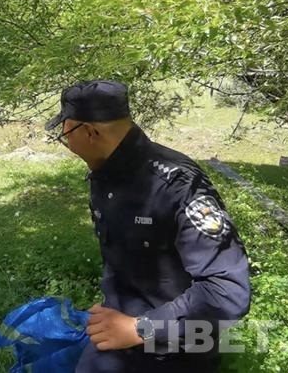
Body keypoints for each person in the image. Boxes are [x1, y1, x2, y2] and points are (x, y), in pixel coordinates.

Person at [44, 80, 251, 372]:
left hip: (175, 347)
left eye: (66, 134)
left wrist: (139, 328)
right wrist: (115, 308)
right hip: (124, 328)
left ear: (90, 132)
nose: (67, 144)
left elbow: (226, 291)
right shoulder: (104, 173)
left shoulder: (176, 185)